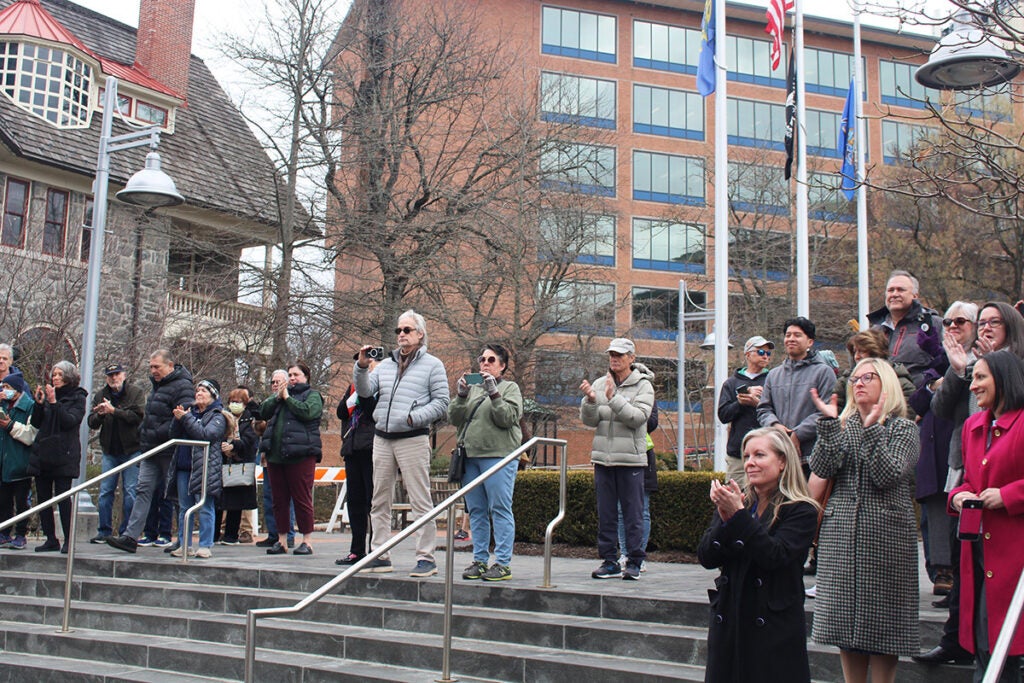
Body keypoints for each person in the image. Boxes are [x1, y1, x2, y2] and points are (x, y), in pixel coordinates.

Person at [809, 359, 920, 683]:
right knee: (845, 627)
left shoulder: (903, 427)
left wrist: (872, 430)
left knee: (885, 629)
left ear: (885, 383)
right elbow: (822, 468)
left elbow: (888, 474)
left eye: (867, 377)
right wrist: (829, 427)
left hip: (886, 539)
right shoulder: (843, 425)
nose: (857, 383)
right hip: (841, 535)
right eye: (854, 378)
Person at [916, 301, 1014, 666]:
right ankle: (958, 638)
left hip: (1005, 477)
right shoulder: (965, 364)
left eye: (993, 322)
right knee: (964, 562)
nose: (985, 328)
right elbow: (939, 409)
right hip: (966, 471)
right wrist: (962, 371)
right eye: (981, 322)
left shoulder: (1016, 362)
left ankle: (1001, 646)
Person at [698, 427, 819, 683]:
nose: (750, 462)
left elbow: (775, 555)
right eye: (747, 456)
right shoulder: (738, 500)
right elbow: (707, 557)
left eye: (760, 455)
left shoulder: (801, 509)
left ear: (783, 461)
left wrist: (738, 516)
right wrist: (724, 518)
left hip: (772, 626)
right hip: (731, 619)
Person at [355, 310, 449, 577]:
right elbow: (364, 392)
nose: (401, 335)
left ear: (420, 334)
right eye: (398, 330)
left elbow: (442, 403)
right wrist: (361, 367)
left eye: (407, 330)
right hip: (382, 439)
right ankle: (380, 554)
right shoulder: (384, 365)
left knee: (420, 500)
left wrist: (412, 418)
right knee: (379, 500)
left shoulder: (433, 365)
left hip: (412, 438)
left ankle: (426, 557)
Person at [949, 350, 1024, 681]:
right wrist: (959, 496)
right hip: (980, 556)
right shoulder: (972, 426)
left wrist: (1008, 496)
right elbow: (968, 480)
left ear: (1003, 379)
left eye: (980, 378)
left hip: (1015, 557)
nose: (972, 386)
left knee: (1008, 647)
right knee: (986, 643)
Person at [580, 337, 654, 581]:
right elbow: (591, 420)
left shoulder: (643, 385)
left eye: (620, 355)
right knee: (606, 514)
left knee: (633, 514)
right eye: (612, 354)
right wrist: (590, 400)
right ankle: (609, 561)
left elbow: (637, 418)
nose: (614, 358)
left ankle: (634, 561)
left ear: (632, 358)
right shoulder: (601, 383)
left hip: (631, 460)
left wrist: (613, 399)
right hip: (603, 459)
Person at [107, 350, 194, 554]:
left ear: (170, 366)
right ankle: (130, 536)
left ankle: (183, 539)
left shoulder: (183, 386)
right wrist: (144, 432)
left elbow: (181, 417)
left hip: (168, 449)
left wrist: (155, 432)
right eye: (151, 366)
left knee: (175, 495)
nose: (153, 370)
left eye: (157, 367)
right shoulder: (157, 386)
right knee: (142, 490)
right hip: (150, 448)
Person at [451, 344, 523, 582]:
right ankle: (480, 559)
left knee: (500, 508)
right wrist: (461, 395)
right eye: (482, 359)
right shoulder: (471, 389)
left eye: (491, 360)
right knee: (477, 511)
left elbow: (507, 418)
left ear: (502, 366)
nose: (485, 363)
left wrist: (494, 394)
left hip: (498, 456)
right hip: (470, 458)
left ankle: (502, 563)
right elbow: (454, 417)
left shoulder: (510, 388)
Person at [757, 317, 836, 475]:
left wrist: (797, 434)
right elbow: (763, 409)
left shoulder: (824, 372)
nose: (791, 339)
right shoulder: (773, 375)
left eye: (797, 335)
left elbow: (828, 411)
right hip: (778, 455)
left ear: (810, 342)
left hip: (811, 458)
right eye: (788, 335)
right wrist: (775, 425)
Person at [260, 361, 323, 556]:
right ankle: (281, 540)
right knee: (279, 500)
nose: (292, 378)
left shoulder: (313, 396)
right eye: (290, 375)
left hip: (301, 455)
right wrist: (277, 397)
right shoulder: (279, 397)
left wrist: (288, 398)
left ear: (306, 377)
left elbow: (308, 412)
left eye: (296, 375)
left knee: (302, 499)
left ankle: (307, 540)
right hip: (276, 456)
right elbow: (262, 412)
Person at [29, 361, 88, 554]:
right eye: (54, 374)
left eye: (60, 375)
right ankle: (50, 538)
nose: (55, 378)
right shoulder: (49, 396)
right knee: (44, 498)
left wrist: (54, 403)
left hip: (64, 453)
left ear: (69, 377)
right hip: (44, 453)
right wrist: (39, 404)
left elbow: (69, 421)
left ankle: (68, 540)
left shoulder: (78, 397)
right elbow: (37, 423)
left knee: (63, 497)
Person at [87, 363, 145, 544]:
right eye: (110, 375)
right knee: (105, 492)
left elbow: (137, 417)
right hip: (110, 450)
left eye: (117, 374)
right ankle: (103, 531)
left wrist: (114, 411)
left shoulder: (135, 393)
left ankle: (127, 532)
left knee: (130, 492)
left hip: (132, 449)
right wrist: (101, 414)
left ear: (124, 375)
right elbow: (92, 422)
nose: (114, 378)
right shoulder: (101, 395)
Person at [168, 379, 226, 559]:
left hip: (205, 467)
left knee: (205, 506)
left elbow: (205, 435)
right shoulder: (190, 412)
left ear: (213, 395)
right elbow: (173, 435)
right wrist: (179, 419)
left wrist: (186, 419)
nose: (199, 393)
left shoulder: (218, 415)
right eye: (197, 390)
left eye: (204, 391)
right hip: (183, 466)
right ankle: (184, 543)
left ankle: (205, 544)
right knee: (184, 507)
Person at [335, 357, 379, 566]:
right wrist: (354, 395)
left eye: (370, 363)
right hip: (352, 447)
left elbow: (373, 411)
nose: (365, 367)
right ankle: (356, 549)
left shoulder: (380, 385)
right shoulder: (352, 387)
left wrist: (365, 392)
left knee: (373, 502)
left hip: (372, 449)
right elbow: (341, 412)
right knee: (355, 502)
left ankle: (376, 548)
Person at [866, 269, 944, 384]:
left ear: (915, 296)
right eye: (890, 290)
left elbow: (946, 364)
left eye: (901, 290)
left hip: (918, 398)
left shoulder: (934, 325)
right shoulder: (874, 332)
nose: (894, 294)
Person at [718, 335, 775, 487]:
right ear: (748, 354)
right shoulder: (731, 383)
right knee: (735, 497)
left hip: (768, 450)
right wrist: (740, 402)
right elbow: (723, 415)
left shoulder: (773, 380)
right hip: (738, 454)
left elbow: (779, 413)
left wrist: (757, 403)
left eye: (768, 353)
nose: (766, 356)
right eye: (761, 352)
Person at [255, 370, 296, 549]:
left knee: (286, 499)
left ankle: (288, 535)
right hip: (268, 456)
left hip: (287, 457)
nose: (275, 385)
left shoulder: (291, 401)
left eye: (279, 381)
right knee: (269, 497)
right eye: (272, 382)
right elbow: (260, 416)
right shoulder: (270, 403)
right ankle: (274, 534)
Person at [216, 387, 258, 545]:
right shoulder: (222, 417)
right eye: (232, 402)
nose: (235, 405)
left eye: (238, 402)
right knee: (219, 500)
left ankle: (231, 535)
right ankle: (215, 533)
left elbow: (251, 440)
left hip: (240, 464)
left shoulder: (250, 419)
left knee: (236, 501)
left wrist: (234, 445)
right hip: (223, 463)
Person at [0, 370, 34, 549]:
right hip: (3, 462)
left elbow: (31, 435)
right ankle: (4, 531)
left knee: (22, 501)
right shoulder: (3, 405)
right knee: (3, 501)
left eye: (8, 387)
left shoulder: (29, 406)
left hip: (20, 462)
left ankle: (21, 534)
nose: (4, 391)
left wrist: (10, 426)